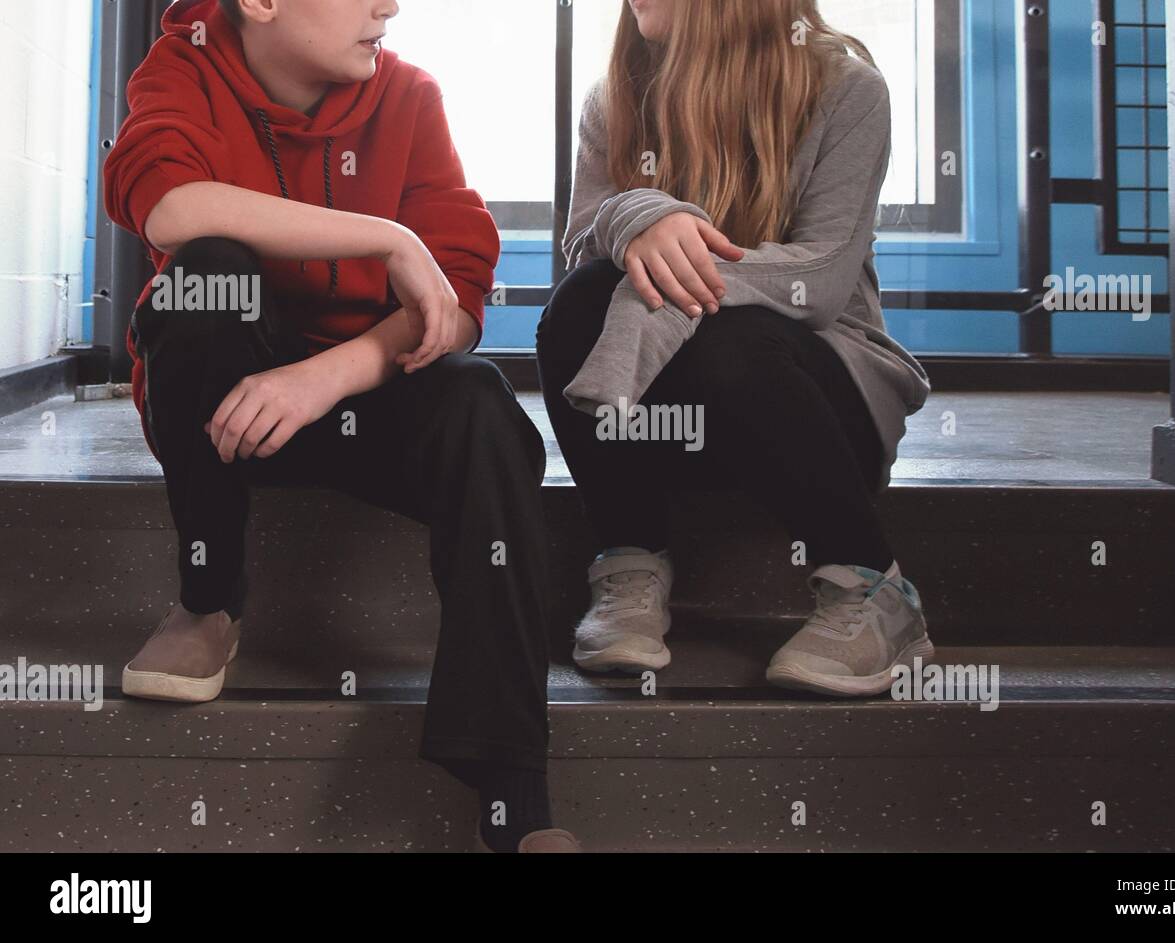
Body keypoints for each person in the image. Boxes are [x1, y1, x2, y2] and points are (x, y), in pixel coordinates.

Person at [103, 0, 577, 853]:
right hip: (226, 406)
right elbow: (169, 207)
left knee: (485, 410)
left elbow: (455, 300)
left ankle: (515, 795)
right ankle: (208, 604)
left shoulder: (411, 98)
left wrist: (326, 376)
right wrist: (388, 238)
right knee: (204, 275)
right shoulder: (185, 66)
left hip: (358, 388)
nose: (390, 5)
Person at [537, 0, 934, 697]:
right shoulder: (616, 97)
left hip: (810, 395)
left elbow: (821, 277)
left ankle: (874, 589)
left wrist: (662, 275)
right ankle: (629, 562)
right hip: (669, 411)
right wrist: (637, 218)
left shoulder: (847, 90)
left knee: (721, 335)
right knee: (580, 301)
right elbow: (582, 244)